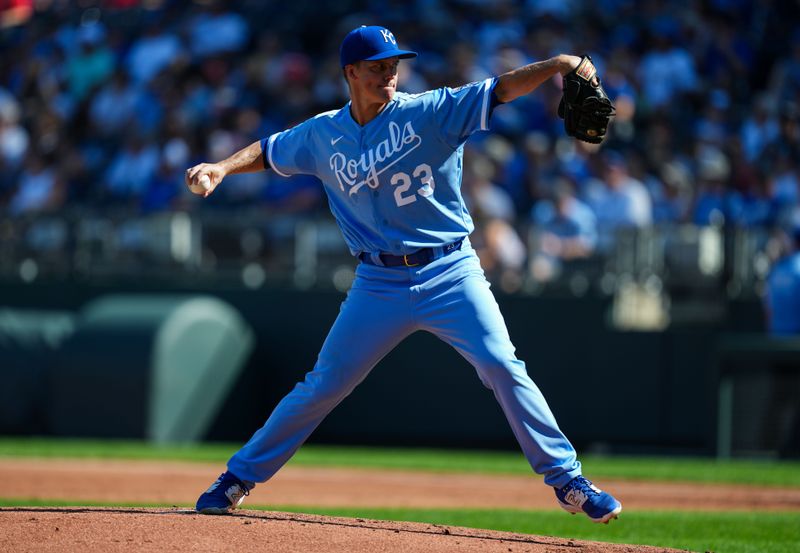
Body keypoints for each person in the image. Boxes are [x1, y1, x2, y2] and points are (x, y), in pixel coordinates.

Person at [186, 25, 622, 523]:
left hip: (451, 271)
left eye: (394, 65)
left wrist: (559, 64)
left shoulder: (430, 110)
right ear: (351, 72)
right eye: (377, 66)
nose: (389, 74)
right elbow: (269, 149)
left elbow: (500, 88)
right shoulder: (322, 133)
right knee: (323, 385)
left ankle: (569, 481)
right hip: (378, 283)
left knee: (503, 366)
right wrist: (220, 167)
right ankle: (237, 478)